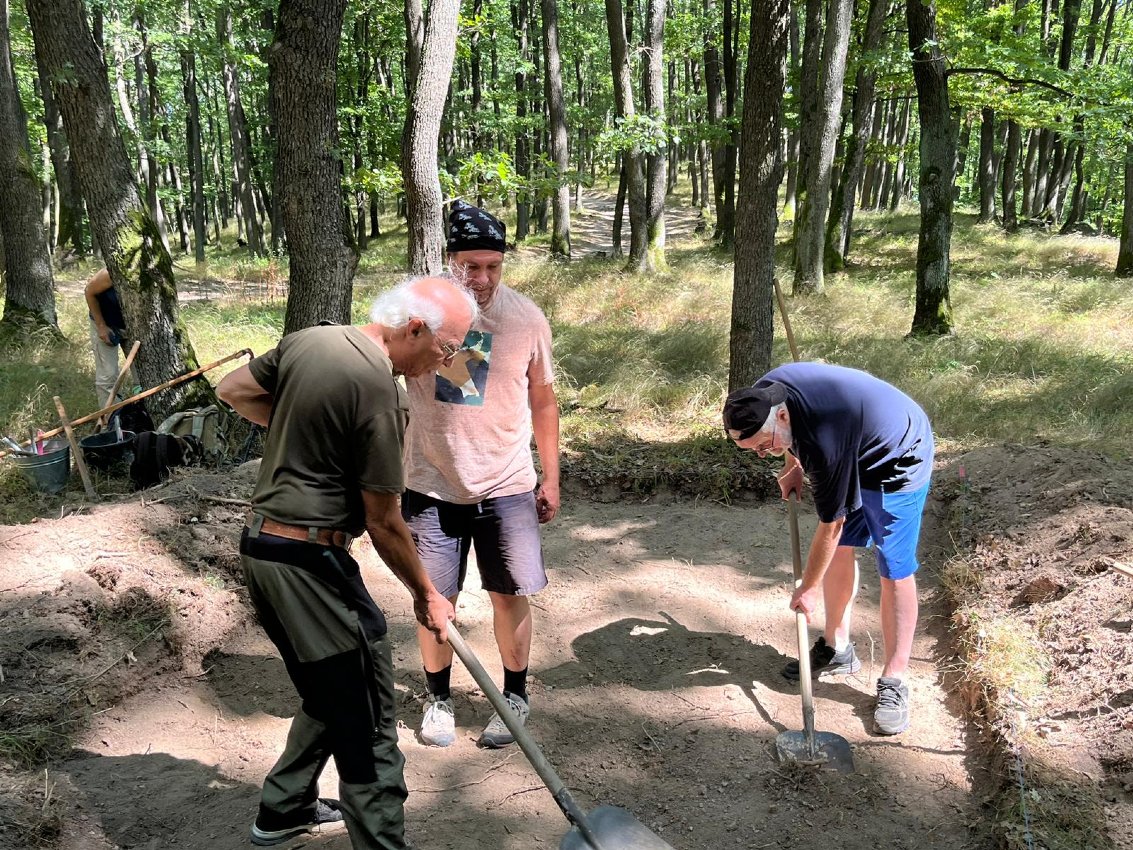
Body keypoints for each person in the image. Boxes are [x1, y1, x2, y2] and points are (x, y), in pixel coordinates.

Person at [216, 276, 477, 849]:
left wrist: (309, 436)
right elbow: (384, 521)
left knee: (328, 690)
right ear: (416, 328)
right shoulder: (382, 391)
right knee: (368, 723)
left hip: (263, 551)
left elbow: (233, 389)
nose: (447, 360)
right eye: (448, 347)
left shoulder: (312, 339)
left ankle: (285, 807)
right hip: (311, 566)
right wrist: (427, 593)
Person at [404, 201, 560, 749]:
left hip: (508, 484)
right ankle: (438, 697)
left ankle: (514, 694)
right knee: (433, 601)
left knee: (510, 594)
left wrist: (551, 476)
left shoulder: (525, 318)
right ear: (450, 262)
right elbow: (385, 365)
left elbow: (543, 399)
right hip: (431, 485)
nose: (484, 278)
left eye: (493, 265)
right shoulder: (420, 313)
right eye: (471, 266)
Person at [723, 362, 934, 735]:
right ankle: (838, 648)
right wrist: (791, 462)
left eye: (763, 446)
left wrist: (808, 587)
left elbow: (831, 524)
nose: (761, 454)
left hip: (897, 452)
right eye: (752, 450)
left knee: (894, 568)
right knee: (841, 550)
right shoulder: (762, 396)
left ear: (782, 416)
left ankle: (895, 680)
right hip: (852, 439)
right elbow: (789, 435)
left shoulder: (824, 440)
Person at [84, 268, 128, 404]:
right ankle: (110, 418)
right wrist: (101, 326)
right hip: (105, 323)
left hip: (132, 327)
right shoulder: (111, 273)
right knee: (108, 375)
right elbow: (89, 292)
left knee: (142, 374)